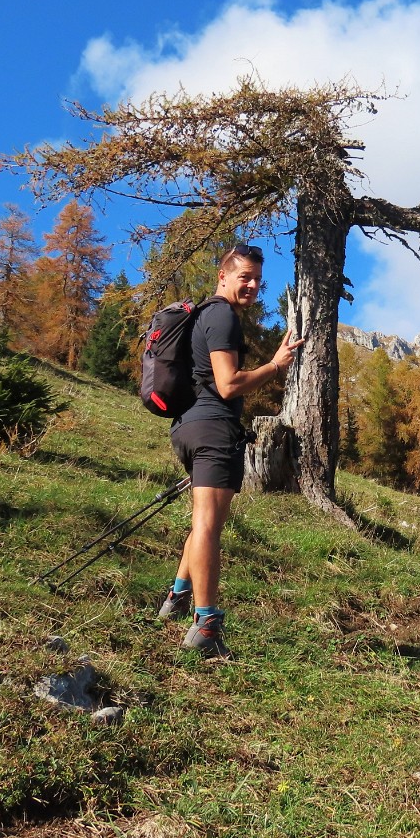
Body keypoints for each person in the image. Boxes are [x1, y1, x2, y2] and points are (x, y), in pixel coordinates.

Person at [157, 244, 303, 659]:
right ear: (223, 276)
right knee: (208, 527)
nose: (254, 286)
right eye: (245, 278)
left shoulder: (205, 313)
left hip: (189, 427)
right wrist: (276, 366)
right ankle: (206, 625)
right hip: (213, 429)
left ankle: (177, 598)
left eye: (258, 279)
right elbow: (228, 384)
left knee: (204, 522)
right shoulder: (222, 316)